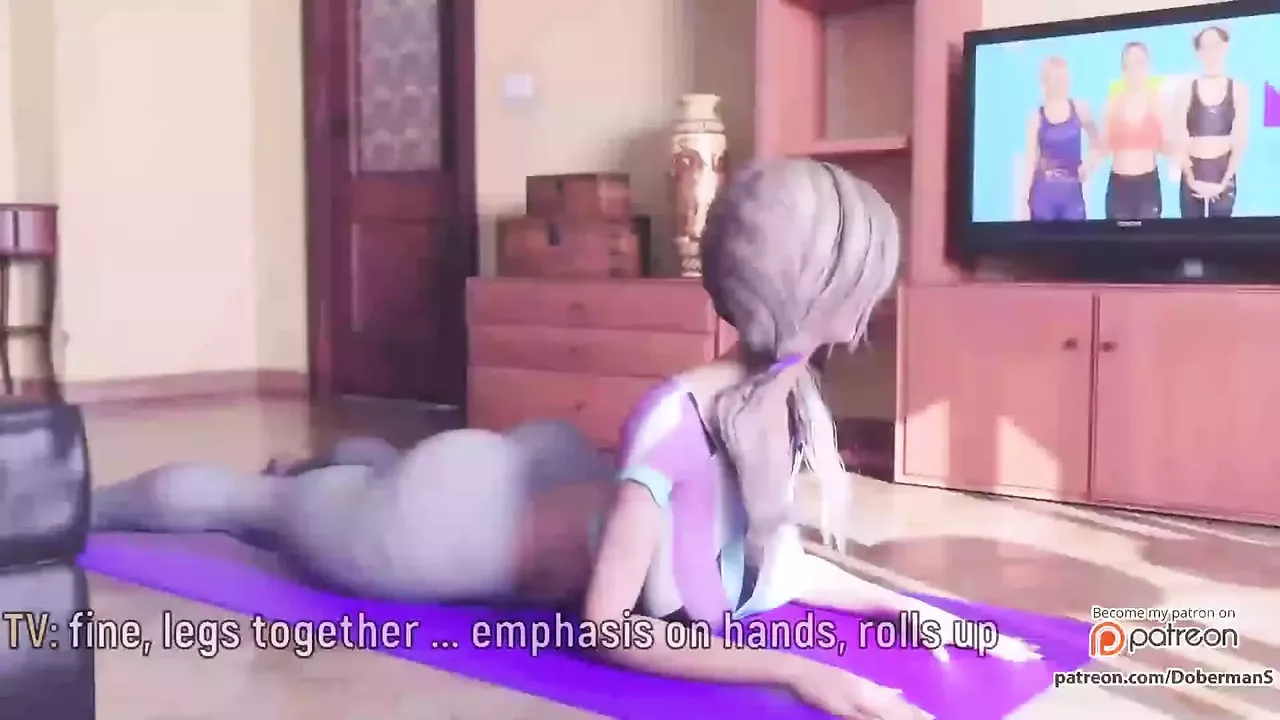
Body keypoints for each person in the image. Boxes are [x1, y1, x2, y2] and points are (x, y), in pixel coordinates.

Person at [92, 159, 1036, 720]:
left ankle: (334, 466)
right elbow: (609, 627)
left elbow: (769, 569)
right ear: (812, 294)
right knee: (257, 509)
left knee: (351, 473)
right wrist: (799, 669)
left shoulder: (781, 403)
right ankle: (81, 505)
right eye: (862, 278)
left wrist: (925, 617)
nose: (876, 300)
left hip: (542, 476)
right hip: (438, 529)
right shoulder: (677, 422)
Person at [1175, 25, 1249, 218]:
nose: (1211, 52)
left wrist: (1224, 182)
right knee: (1189, 234)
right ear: (1198, 52)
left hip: (1223, 173)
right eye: (1205, 46)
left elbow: (1240, 141)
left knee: (1221, 234)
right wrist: (1191, 179)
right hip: (1192, 175)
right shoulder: (1186, 90)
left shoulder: (1238, 90)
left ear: (1225, 46)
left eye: (1216, 44)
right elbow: (1179, 138)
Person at [1022, 57, 1101, 221]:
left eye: (1063, 78)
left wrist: (1090, 164)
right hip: (1043, 195)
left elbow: (1097, 140)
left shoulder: (1080, 108)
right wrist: (1024, 199)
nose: (1061, 83)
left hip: (1072, 193)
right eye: (1056, 79)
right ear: (1045, 82)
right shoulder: (1036, 117)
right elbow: (1030, 161)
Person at [1102, 42, 1167, 220]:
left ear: (1148, 66)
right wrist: (1088, 165)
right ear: (1123, 70)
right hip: (1119, 187)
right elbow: (1103, 145)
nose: (1134, 70)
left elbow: (1167, 145)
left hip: (1147, 186)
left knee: (1149, 238)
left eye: (1139, 63)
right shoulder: (1112, 104)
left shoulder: (1158, 103)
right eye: (1128, 65)